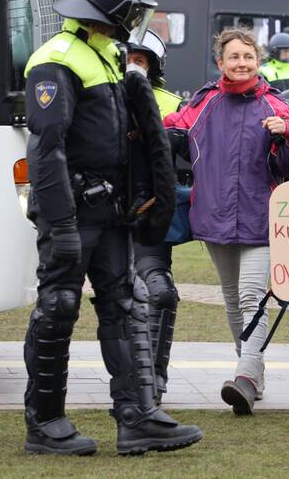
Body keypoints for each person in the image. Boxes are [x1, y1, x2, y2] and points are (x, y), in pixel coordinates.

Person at [21, 0, 203, 456]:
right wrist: (58, 224)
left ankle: (138, 415)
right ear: (116, 9)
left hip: (111, 209)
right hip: (73, 210)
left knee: (126, 305)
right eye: (136, 11)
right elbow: (46, 149)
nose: (138, 21)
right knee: (58, 306)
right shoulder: (57, 58)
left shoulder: (108, 53)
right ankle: (45, 423)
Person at [164, 28, 289, 415]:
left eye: (248, 56)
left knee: (251, 295)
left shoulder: (276, 107)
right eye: (233, 57)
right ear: (221, 63)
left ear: (258, 61)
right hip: (214, 217)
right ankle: (252, 372)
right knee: (232, 300)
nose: (241, 63)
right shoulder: (204, 103)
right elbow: (172, 128)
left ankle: (245, 374)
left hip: (260, 219)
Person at [125, 29, 185, 404]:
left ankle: (152, 382)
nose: (133, 66)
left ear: (154, 66)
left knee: (160, 293)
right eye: (128, 58)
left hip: (147, 217)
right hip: (102, 214)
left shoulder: (173, 105)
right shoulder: (97, 95)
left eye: (141, 60)